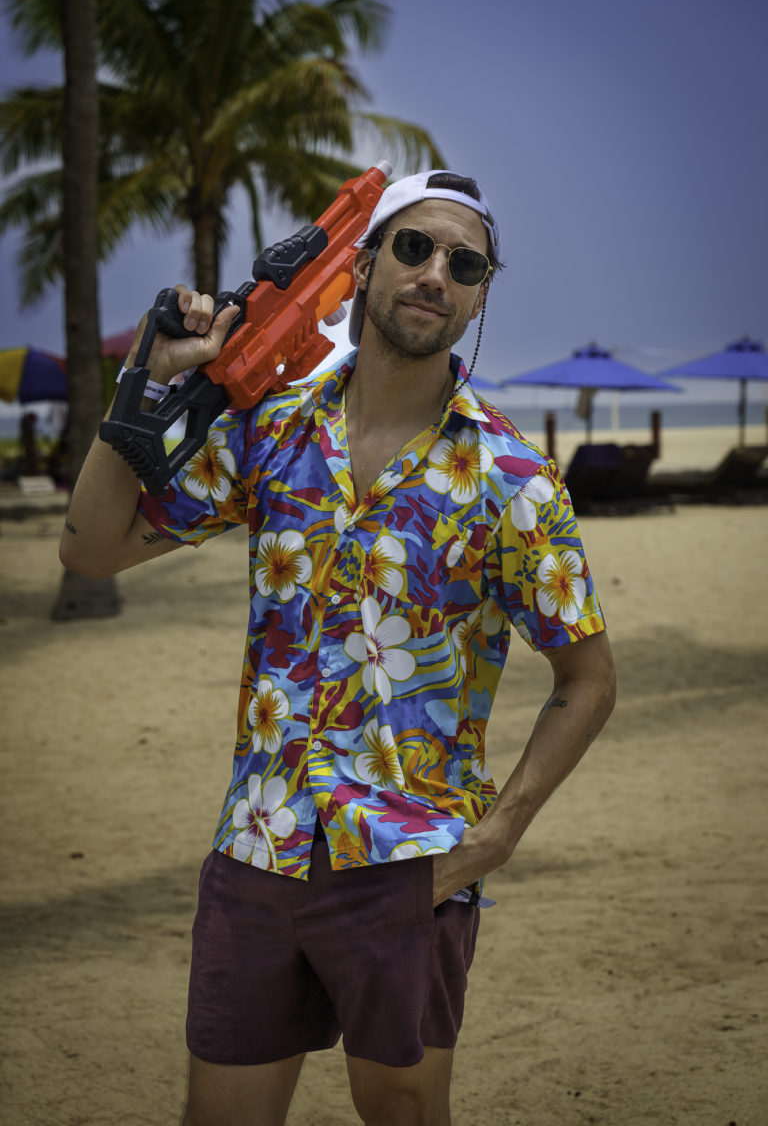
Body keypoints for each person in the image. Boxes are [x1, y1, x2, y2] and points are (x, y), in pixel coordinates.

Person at [60, 169, 616, 1126]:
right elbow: (93, 548)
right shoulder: (272, 432)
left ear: (481, 293)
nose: (436, 272)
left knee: (402, 1113)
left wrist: (496, 837)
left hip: (411, 859)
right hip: (258, 843)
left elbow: (588, 680)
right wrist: (143, 388)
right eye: (413, 247)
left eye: (464, 261)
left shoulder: (516, 481)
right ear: (359, 269)